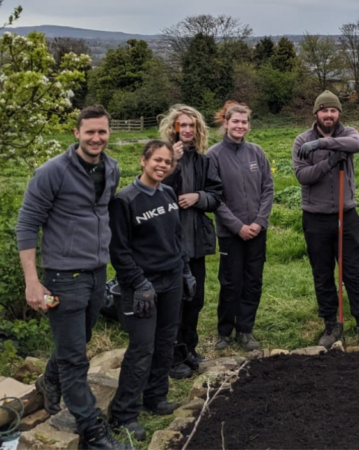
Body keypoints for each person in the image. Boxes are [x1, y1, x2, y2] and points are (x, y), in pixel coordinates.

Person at [16, 106, 128, 450]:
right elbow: (26, 225)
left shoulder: (111, 168)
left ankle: (50, 382)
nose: (96, 138)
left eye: (103, 132)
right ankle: (93, 432)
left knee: (78, 340)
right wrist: (32, 281)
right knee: (75, 358)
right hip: (63, 276)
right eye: (90, 132)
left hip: (97, 273)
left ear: (109, 134)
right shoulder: (52, 172)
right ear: (77, 133)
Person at [106, 140, 193, 442]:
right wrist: (139, 283)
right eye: (157, 160)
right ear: (143, 161)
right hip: (142, 286)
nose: (162, 166)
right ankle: (124, 413)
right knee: (142, 348)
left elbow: (176, 238)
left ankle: (155, 397)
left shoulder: (168, 194)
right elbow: (119, 251)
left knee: (165, 342)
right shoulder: (125, 201)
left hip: (171, 281)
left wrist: (186, 271)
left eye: (167, 162)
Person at [292, 90, 359, 347]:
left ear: (339, 113)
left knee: (354, 272)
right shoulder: (300, 140)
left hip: (346, 214)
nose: (329, 114)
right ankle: (331, 324)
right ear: (316, 113)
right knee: (323, 273)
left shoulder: (347, 134)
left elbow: (356, 145)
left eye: (334, 110)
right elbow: (303, 176)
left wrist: (322, 145)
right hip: (316, 218)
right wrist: (329, 162)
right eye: (324, 110)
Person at [159, 104, 223, 379]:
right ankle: (171, 357)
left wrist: (199, 197)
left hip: (196, 240)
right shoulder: (160, 156)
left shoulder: (204, 160)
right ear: (173, 129)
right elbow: (153, 189)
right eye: (181, 125)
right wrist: (171, 163)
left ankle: (190, 350)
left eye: (191, 126)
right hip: (171, 242)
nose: (186, 130)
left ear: (198, 130)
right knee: (175, 302)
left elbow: (217, 195)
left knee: (195, 299)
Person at [207, 102, 274, 351]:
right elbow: (214, 197)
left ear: (249, 125)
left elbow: (268, 188)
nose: (240, 126)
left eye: (244, 122)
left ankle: (245, 330)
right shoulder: (213, 156)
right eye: (235, 121)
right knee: (231, 282)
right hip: (230, 233)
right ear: (226, 123)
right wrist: (237, 226)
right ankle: (224, 331)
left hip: (257, 231)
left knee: (253, 280)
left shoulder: (257, 153)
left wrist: (259, 221)